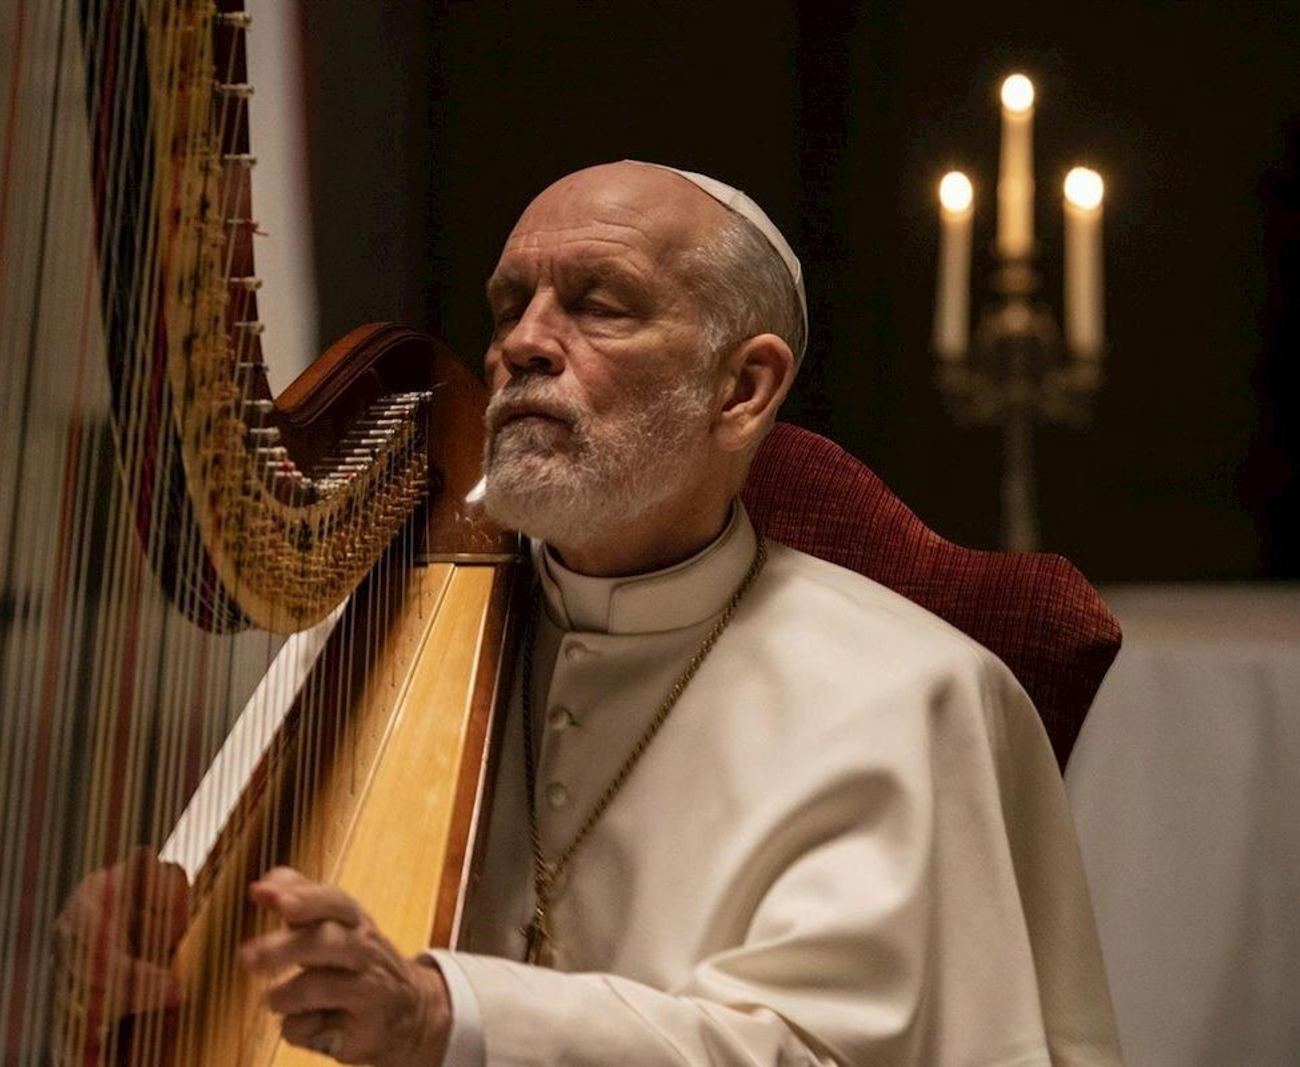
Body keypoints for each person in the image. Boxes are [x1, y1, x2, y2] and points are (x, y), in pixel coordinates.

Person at [65, 161, 1125, 1066]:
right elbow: (238, 946)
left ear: (743, 387)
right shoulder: (388, 620)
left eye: (598, 302)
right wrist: (159, 934)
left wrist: (447, 1012)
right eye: (509, 303)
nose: (521, 342)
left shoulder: (914, 694)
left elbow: (806, 1049)